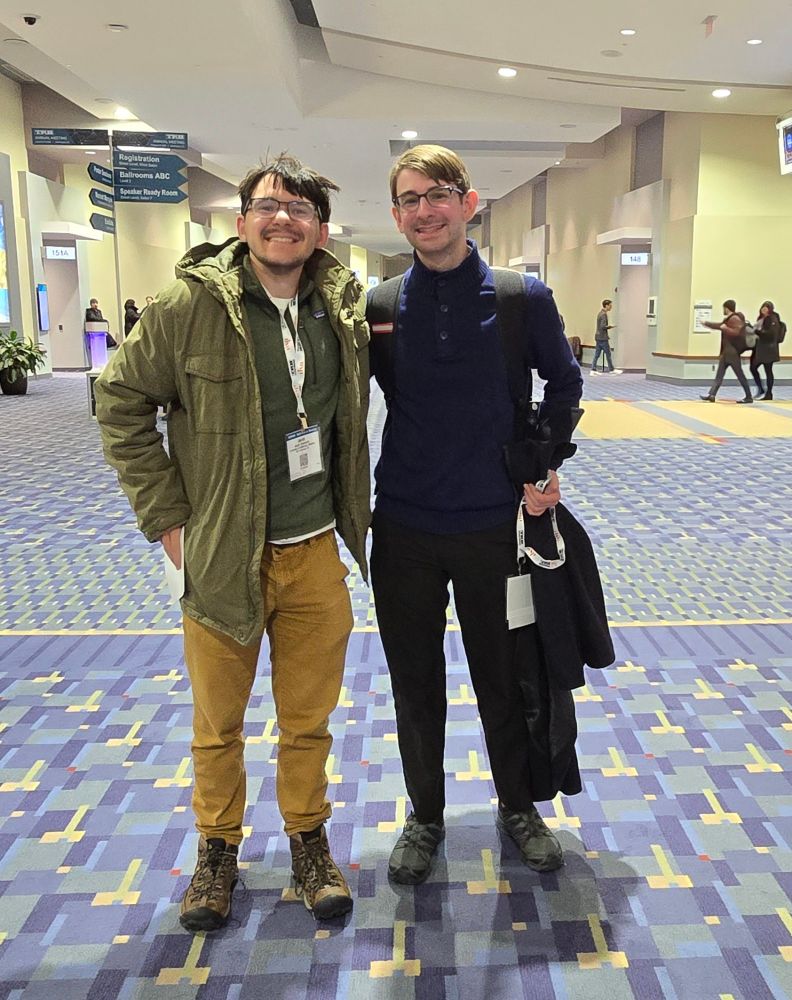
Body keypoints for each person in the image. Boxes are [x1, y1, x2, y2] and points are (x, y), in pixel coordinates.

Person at [94, 153, 371, 932]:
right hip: (221, 553)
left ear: (320, 228)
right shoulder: (190, 304)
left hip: (315, 553)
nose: (283, 218)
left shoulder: (338, 306)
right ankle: (217, 851)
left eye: (300, 209)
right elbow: (118, 401)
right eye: (268, 205)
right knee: (218, 724)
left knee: (307, 719)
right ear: (242, 219)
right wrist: (166, 518)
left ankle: (309, 843)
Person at [367, 144, 584, 885]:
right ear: (397, 215)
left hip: (496, 527)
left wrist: (542, 463)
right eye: (408, 199)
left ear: (469, 201)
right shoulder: (381, 306)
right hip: (402, 527)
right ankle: (424, 815)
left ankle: (517, 805)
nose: (423, 211)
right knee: (414, 682)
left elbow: (564, 381)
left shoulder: (523, 297)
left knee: (506, 676)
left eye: (437, 195)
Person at [700, 299, 753, 403]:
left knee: (740, 375)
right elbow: (719, 326)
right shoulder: (729, 319)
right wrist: (706, 323)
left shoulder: (735, 318)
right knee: (719, 375)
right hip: (727, 352)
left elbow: (736, 332)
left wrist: (726, 329)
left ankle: (749, 396)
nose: (723, 310)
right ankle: (712, 395)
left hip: (732, 352)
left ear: (726, 308)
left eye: (723, 308)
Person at [750, 300, 781, 400]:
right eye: (763, 307)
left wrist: (757, 332)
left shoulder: (772, 319)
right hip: (760, 349)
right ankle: (761, 389)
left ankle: (768, 393)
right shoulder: (761, 319)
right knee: (753, 367)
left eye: (766, 307)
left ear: (770, 309)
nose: (763, 309)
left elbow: (770, 334)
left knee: (768, 370)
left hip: (768, 349)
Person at [591, 299, 621, 374]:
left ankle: (593, 368)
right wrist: (610, 326)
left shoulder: (599, 313)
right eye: (610, 305)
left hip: (598, 336)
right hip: (603, 337)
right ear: (606, 305)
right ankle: (611, 369)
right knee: (608, 354)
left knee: (597, 354)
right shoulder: (604, 314)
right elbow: (603, 326)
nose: (611, 307)